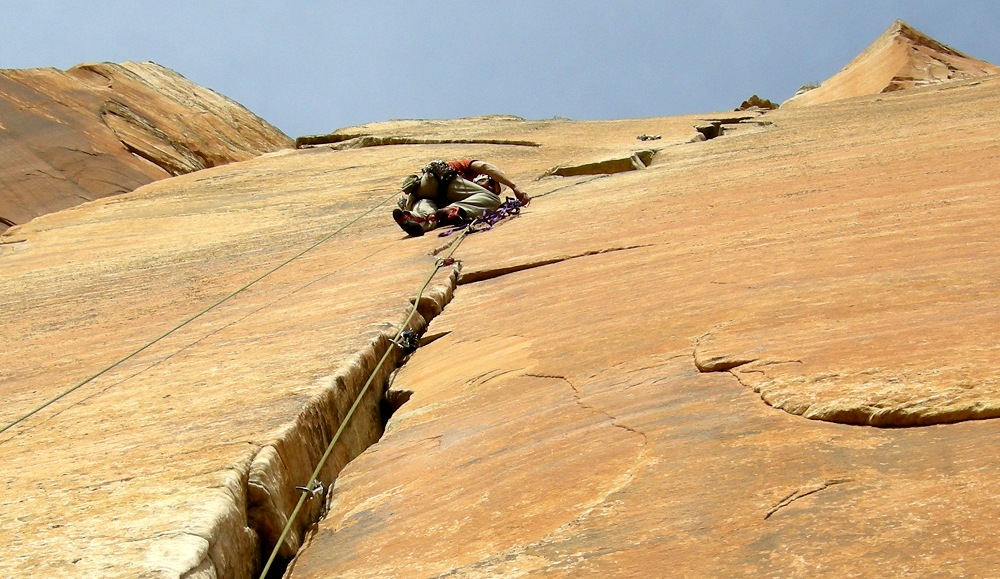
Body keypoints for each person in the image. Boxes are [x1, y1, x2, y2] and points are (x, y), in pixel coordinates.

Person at [392, 159, 530, 236]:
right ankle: (454, 210)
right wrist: (514, 186)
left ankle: (414, 219)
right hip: (444, 180)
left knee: (427, 211)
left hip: (422, 193)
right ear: (487, 177)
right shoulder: (469, 170)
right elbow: (484, 166)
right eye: (492, 185)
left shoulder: (469, 194)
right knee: (493, 201)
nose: (489, 190)